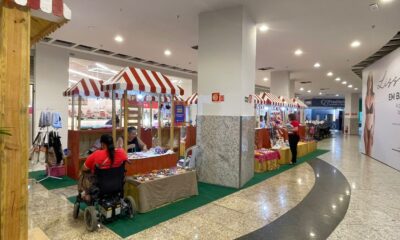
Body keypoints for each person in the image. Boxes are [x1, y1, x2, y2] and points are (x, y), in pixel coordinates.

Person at [79, 134, 128, 201]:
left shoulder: (97, 154)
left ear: (102, 144)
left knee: (82, 174)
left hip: (101, 185)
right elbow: (127, 161)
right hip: (117, 184)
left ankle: (85, 194)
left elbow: (84, 168)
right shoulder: (121, 152)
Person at [364, 73, 375, 156]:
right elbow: (365, 113)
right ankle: (366, 165)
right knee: (365, 146)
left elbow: (375, 114)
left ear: (372, 83)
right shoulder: (365, 97)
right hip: (365, 124)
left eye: (370, 82)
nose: (369, 84)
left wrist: (373, 127)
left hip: (371, 125)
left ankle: (369, 166)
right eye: (368, 81)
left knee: (370, 148)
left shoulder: (374, 96)